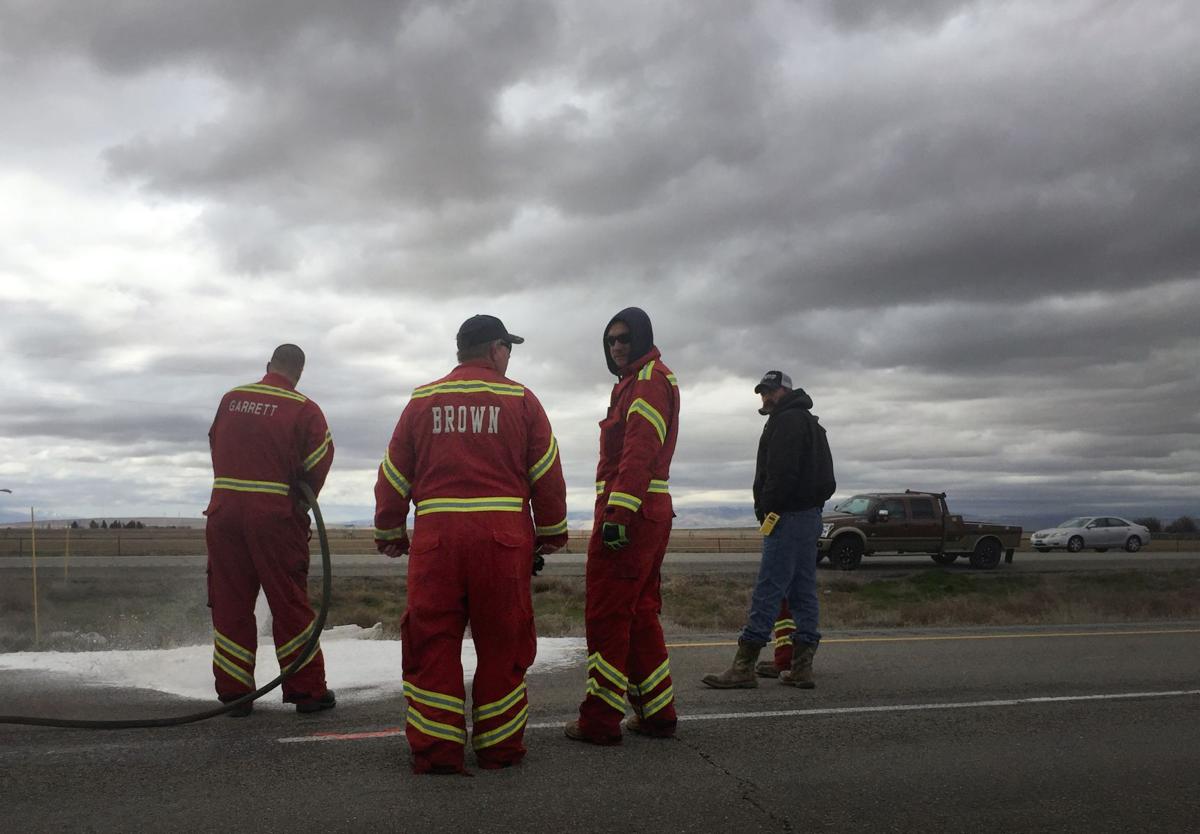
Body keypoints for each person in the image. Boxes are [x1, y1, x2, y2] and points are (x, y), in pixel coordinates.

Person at [374, 314, 568, 775]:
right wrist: (553, 531)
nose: (509, 358)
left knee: (432, 642)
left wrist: (389, 531)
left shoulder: (422, 400)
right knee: (504, 641)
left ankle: (437, 750)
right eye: (509, 349)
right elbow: (546, 474)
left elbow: (394, 474)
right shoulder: (521, 399)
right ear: (495, 349)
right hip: (502, 545)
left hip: (437, 543)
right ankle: (499, 749)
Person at [565, 307, 681, 745]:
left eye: (625, 338)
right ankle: (657, 713)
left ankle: (599, 721)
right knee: (639, 615)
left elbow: (639, 451)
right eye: (611, 340)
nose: (617, 346)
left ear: (642, 338)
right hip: (647, 512)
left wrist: (618, 514)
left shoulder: (649, 380)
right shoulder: (638, 382)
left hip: (629, 515)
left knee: (608, 617)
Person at [205, 344, 336, 717]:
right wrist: (298, 501)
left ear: (268, 366)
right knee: (289, 604)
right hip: (274, 517)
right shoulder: (304, 409)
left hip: (224, 515)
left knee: (231, 604)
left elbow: (216, 443)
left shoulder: (231, 399)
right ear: (299, 373)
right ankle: (308, 692)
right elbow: (319, 461)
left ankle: (235, 694)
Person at [702, 370, 835, 690]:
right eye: (763, 392)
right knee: (802, 591)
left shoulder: (787, 421)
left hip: (788, 516)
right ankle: (801, 667)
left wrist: (767, 509)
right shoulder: (810, 421)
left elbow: (780, 474)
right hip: (808, 515)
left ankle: (743, 665)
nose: (766, 397)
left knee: (769, 589)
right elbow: (826, 479)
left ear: (786, 391)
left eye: (771, 391)